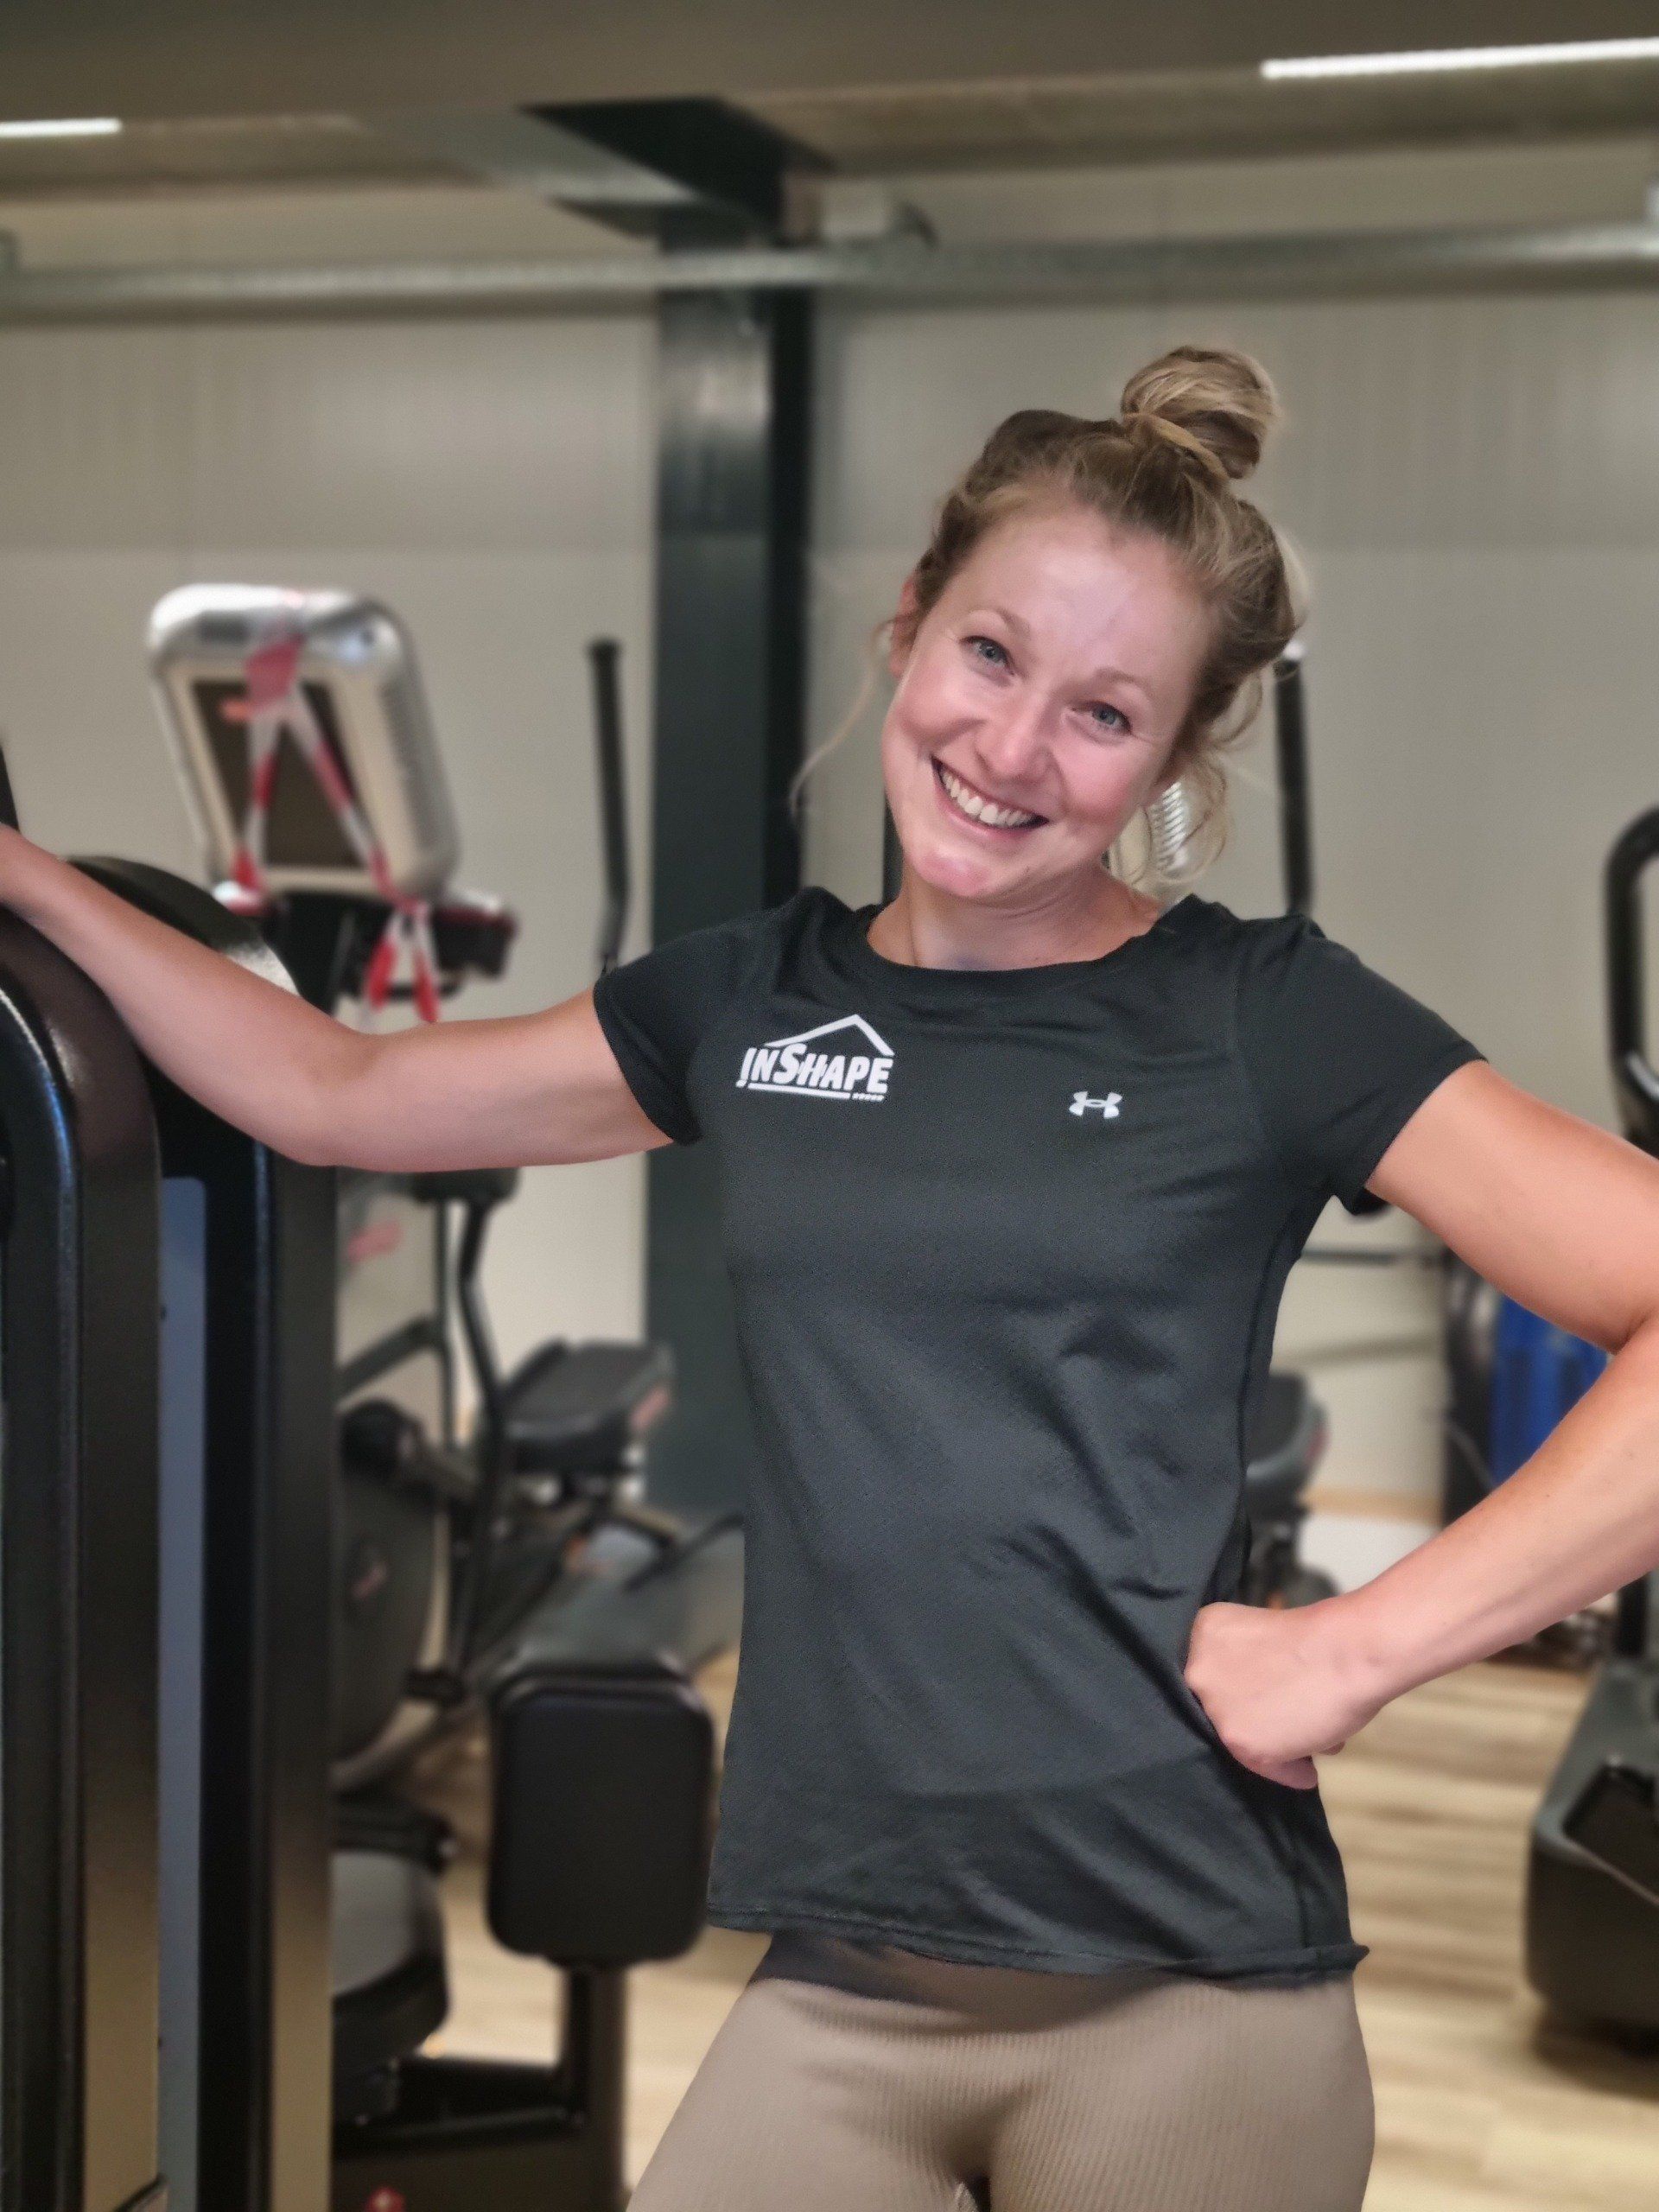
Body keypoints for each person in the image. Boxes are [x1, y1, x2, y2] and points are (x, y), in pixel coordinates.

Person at [6, 346, 1659, 2212]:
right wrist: (33, 886)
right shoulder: (750, 1000)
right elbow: (337, 1088)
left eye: (1106, 713)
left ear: (1177, 759)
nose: (1016, 749)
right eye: (990, 656)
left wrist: (1361, 1645)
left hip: (1184, 2004)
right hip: (837, 1991)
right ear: (907, 627)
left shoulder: (1261, 1018)